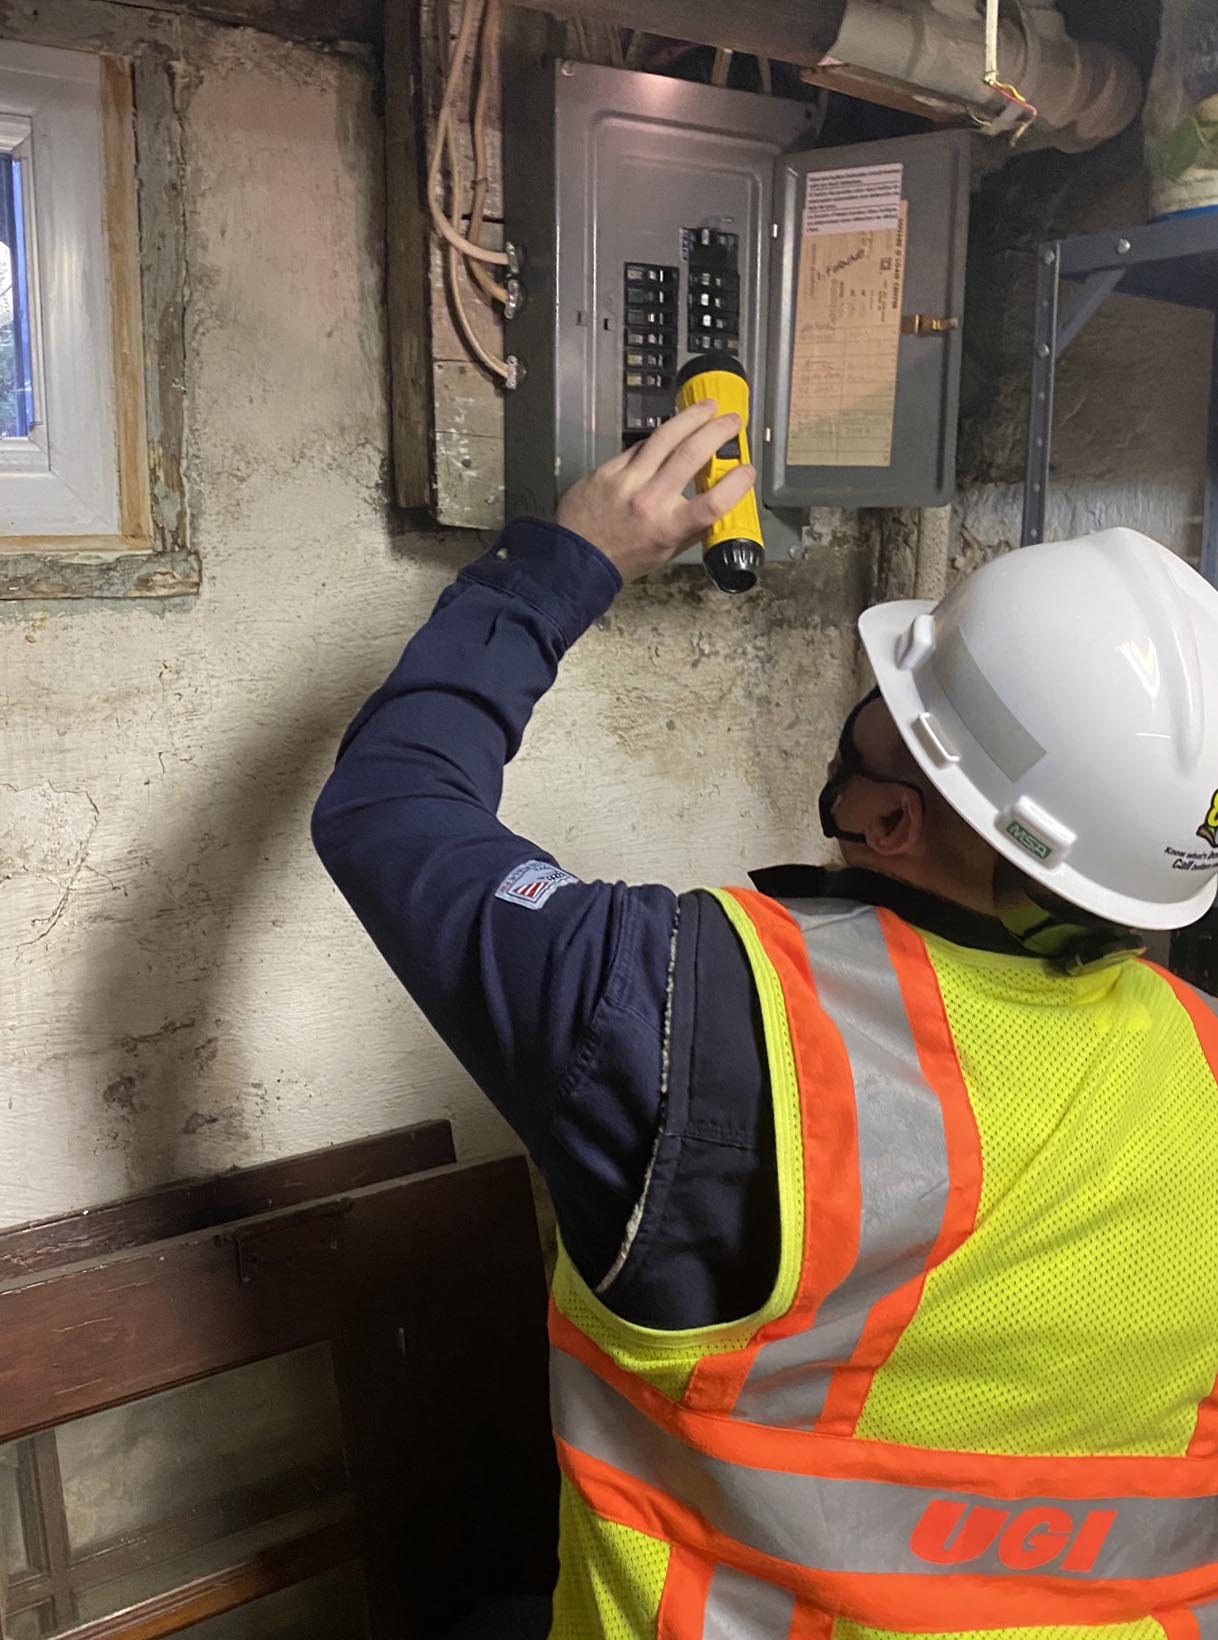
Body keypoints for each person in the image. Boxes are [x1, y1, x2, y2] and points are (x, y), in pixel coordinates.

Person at [313, 402, 1218, 1638]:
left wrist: (567, 558)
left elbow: (390, 806)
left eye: (883, 713)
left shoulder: (694, 1015)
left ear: (889, 819)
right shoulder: (1204, 1059)